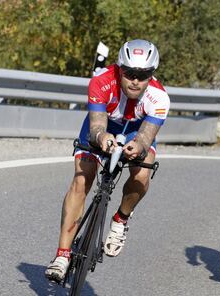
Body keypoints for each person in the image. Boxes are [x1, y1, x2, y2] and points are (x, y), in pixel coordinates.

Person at [45, 39, 170, 281]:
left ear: (151, 75)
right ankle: (62, 254)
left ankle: (121, 219)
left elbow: (146, 136)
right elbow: (96, 124)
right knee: (82, 179)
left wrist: (139, 147)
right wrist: (102, 137)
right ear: (119, 68)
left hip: (136, 130)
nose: (135, 80)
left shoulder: (160, 97)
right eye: (130, 73)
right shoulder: (102, 81)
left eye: (143, 75)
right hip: (103, 125)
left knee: (142, 173)